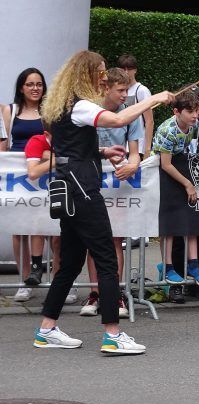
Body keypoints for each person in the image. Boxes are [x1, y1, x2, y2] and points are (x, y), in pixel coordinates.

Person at [35, 50, 172, 354]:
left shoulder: (60, 105)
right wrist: (154, 98)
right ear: (86, 73)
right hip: (83, 191)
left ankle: (46, 329)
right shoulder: (82, 105)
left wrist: (102, 153)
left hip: (68, 189)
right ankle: (113, 335)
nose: (103, 76)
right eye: (99, 71)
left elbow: (70, 148)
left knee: (69, 265)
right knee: (107, 260)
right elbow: (119, 119)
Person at [80, 68, 145, 318]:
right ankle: (95, 293)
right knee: (92, 241)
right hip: (92, 179)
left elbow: (136, 151)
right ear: (106, 88)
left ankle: (114, 294)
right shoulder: (90, 110)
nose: (124, 95)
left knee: (115, 238)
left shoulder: (131, 114)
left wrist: (133, 163)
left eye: (127, 90)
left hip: (118, 183)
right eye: (120, 90)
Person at [152, 90, 199, 291]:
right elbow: (166, 164)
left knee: (190, 219)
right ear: (177, 111)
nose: (195, 115)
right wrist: (188, 183)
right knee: (169, 225)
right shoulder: (168, 130)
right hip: (163, 176)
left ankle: (194, 266)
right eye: (190, 111)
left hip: (179, 173)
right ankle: (168, 265)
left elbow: (186, 153)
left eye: (197, 111)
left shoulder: (192, 127)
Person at [3, 68, 47, 302]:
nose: (35, 88)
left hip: (42, 174)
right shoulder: (9, 110)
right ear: (21, 87)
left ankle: (59, 282)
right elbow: (3, 146)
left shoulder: (50, 111)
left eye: (39, 84)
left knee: (44, 227)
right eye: (30, 84)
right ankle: (24, 281)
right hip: (17, 176)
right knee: (19, 229)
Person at [22, 128, 70, 303]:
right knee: (38, 226)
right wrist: (56, 159)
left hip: (66, 192)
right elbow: (33, 172)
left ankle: (61, 286)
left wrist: (48, 157)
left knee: (59, 240)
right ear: (47, 134)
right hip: (40, 194)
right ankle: (36, 268)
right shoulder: (37, 140)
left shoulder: (71, 137)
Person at [117, 54, 154, 158]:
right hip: (119, 145)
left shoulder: (141, 90)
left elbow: (149, 121)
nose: (126, 72)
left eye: (129, 68)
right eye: (123, 69)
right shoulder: (116, 90)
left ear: (135, 70)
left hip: (137, 147)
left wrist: (147, 149)